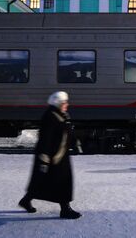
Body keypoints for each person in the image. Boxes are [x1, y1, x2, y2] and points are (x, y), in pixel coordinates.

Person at [18, 91, 82, 219]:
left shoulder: (61, 114)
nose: (67, 104)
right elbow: (45, 139)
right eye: (64, 102)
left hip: (60, 155)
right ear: (58, 103)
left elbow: (68, 131)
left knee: (43, 182)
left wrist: (75, 142)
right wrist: (44, 159)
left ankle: (26, 201)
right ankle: (65, 210)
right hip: (52, 156)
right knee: (59, 181)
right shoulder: (50, 116)